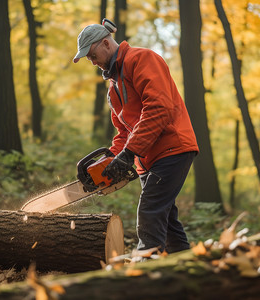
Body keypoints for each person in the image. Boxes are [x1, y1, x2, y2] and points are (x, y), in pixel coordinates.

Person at [73, 19, 199, 254]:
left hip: (172, 147)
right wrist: (111, 157)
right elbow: (124, 131)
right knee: (167, 221)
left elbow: (159, 108)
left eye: (91, 55)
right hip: (147, 157)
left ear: (106, 43)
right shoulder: (114, 85)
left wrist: (129, 153)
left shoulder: (141, 59)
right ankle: (186, 269)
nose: (91, 61)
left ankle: (145, 269)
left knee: (150, 210)